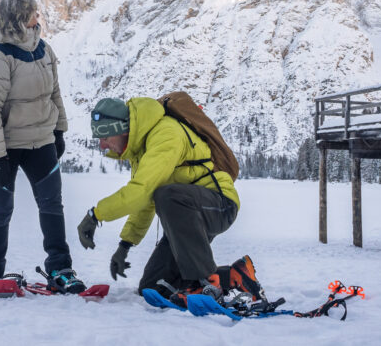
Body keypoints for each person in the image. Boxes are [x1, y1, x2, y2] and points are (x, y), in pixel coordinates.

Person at [77, 97, 264, 307]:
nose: (102, 145)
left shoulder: (166, 134)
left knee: (167, 195)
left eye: (105, 137)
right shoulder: (141, 149)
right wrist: (125, 244)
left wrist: (96, 214)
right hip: (187, 217)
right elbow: (145, 201)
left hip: (218, 203)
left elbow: (141, 191)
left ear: (122, 129)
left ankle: (206, 283)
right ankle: (235, 275)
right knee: (153, 287)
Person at [0, 0, 85, 294]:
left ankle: (61, 269)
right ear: (18, 18)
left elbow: (54, 92)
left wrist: (59, 130)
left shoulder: (43, 49)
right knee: (0, 209)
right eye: (32, 14)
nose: (38, 18)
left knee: (52, 205)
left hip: (40, 139)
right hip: (1, 144)